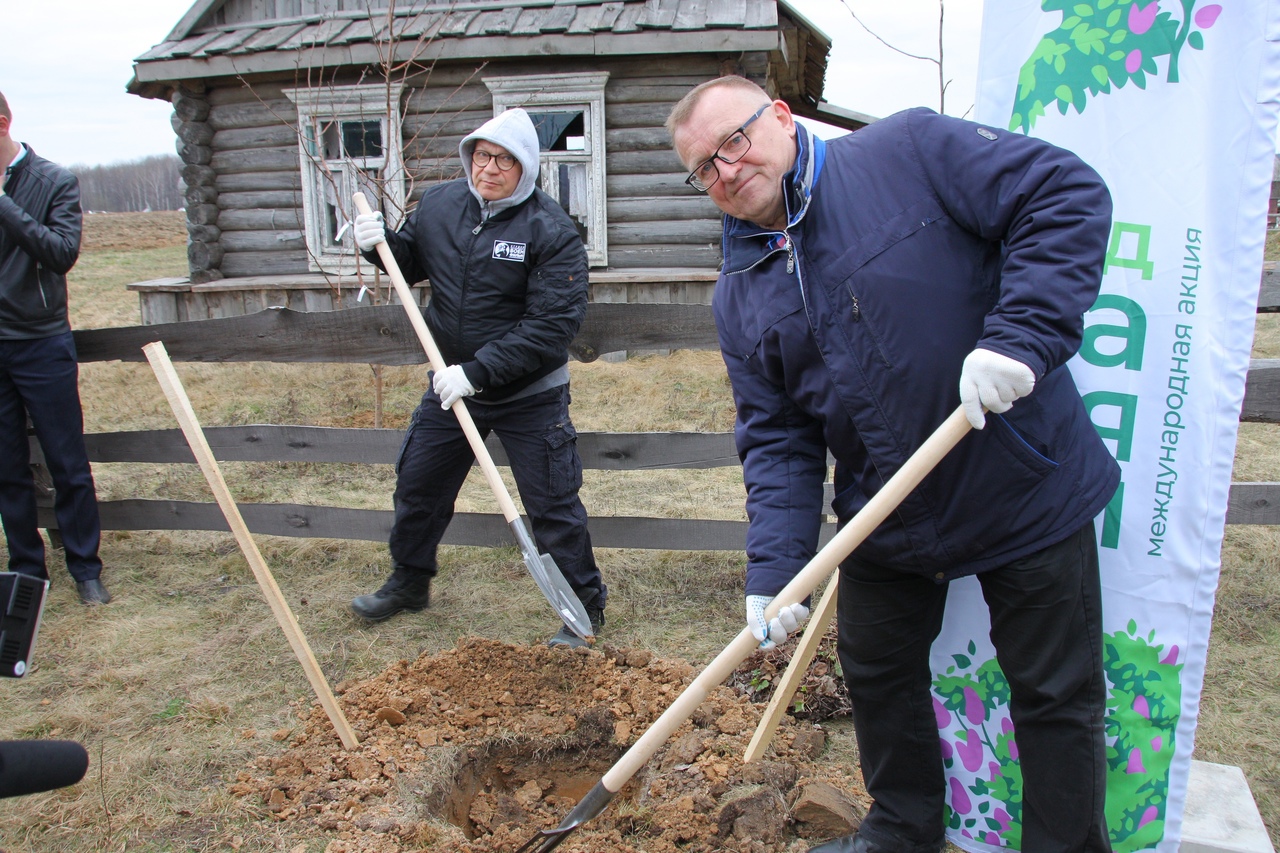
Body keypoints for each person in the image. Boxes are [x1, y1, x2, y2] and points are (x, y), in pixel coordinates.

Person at [667, 76, 1120, 852]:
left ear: (779, 116)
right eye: (704, 168)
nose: (726, 171)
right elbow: (778, 439)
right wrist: (777, 569)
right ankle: (903, 829)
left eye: (734, 142)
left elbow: (1064, 194)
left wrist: (1022, 334)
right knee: (877, 674)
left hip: (1020, 480)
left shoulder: (906, 152)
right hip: (888, 512)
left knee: (1053, 693)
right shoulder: (739, 292)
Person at [351, 107, 606, 648]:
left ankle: (582, 609)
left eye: (505, 160)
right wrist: (376, 243)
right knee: (418, 485)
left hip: (528, 395)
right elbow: (411, 262)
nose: (489, 169)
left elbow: (551, 326)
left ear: (526, 168)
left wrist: (479, 371)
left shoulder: (552, 231)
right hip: (451, 388)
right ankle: (409, 582)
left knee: (553, 506)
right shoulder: (442, 205)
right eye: (483, 156)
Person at [0, 90, 109, 606]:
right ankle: (25, 570)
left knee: (67, 461)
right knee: (6, 466)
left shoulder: (53, 181)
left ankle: (86, 568)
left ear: (2, 124)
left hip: (41, 340)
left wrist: (2, 204)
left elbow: (62, 253)